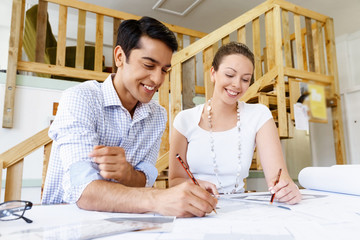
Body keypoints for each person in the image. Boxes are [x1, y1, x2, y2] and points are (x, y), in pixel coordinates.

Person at [41, 16, 217, 218]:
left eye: (164, 70)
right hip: (64, 219)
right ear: (119, 57)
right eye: (149, 65)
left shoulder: (157, 115)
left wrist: (127, 174)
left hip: (124, 220)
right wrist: (158, 198)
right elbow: (83, 191)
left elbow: (144, 179)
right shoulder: (80, 98)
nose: (158, 79)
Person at [169, 42, 302, 204]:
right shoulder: (185, 119)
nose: (237, 85)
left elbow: (279, 177)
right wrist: (195, 185)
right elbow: (175, 180)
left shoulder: (259, 115)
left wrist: (286, 189)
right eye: (230, 75)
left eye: (245, 79)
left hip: (240, 207)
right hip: (195, 205)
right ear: (213, 73)